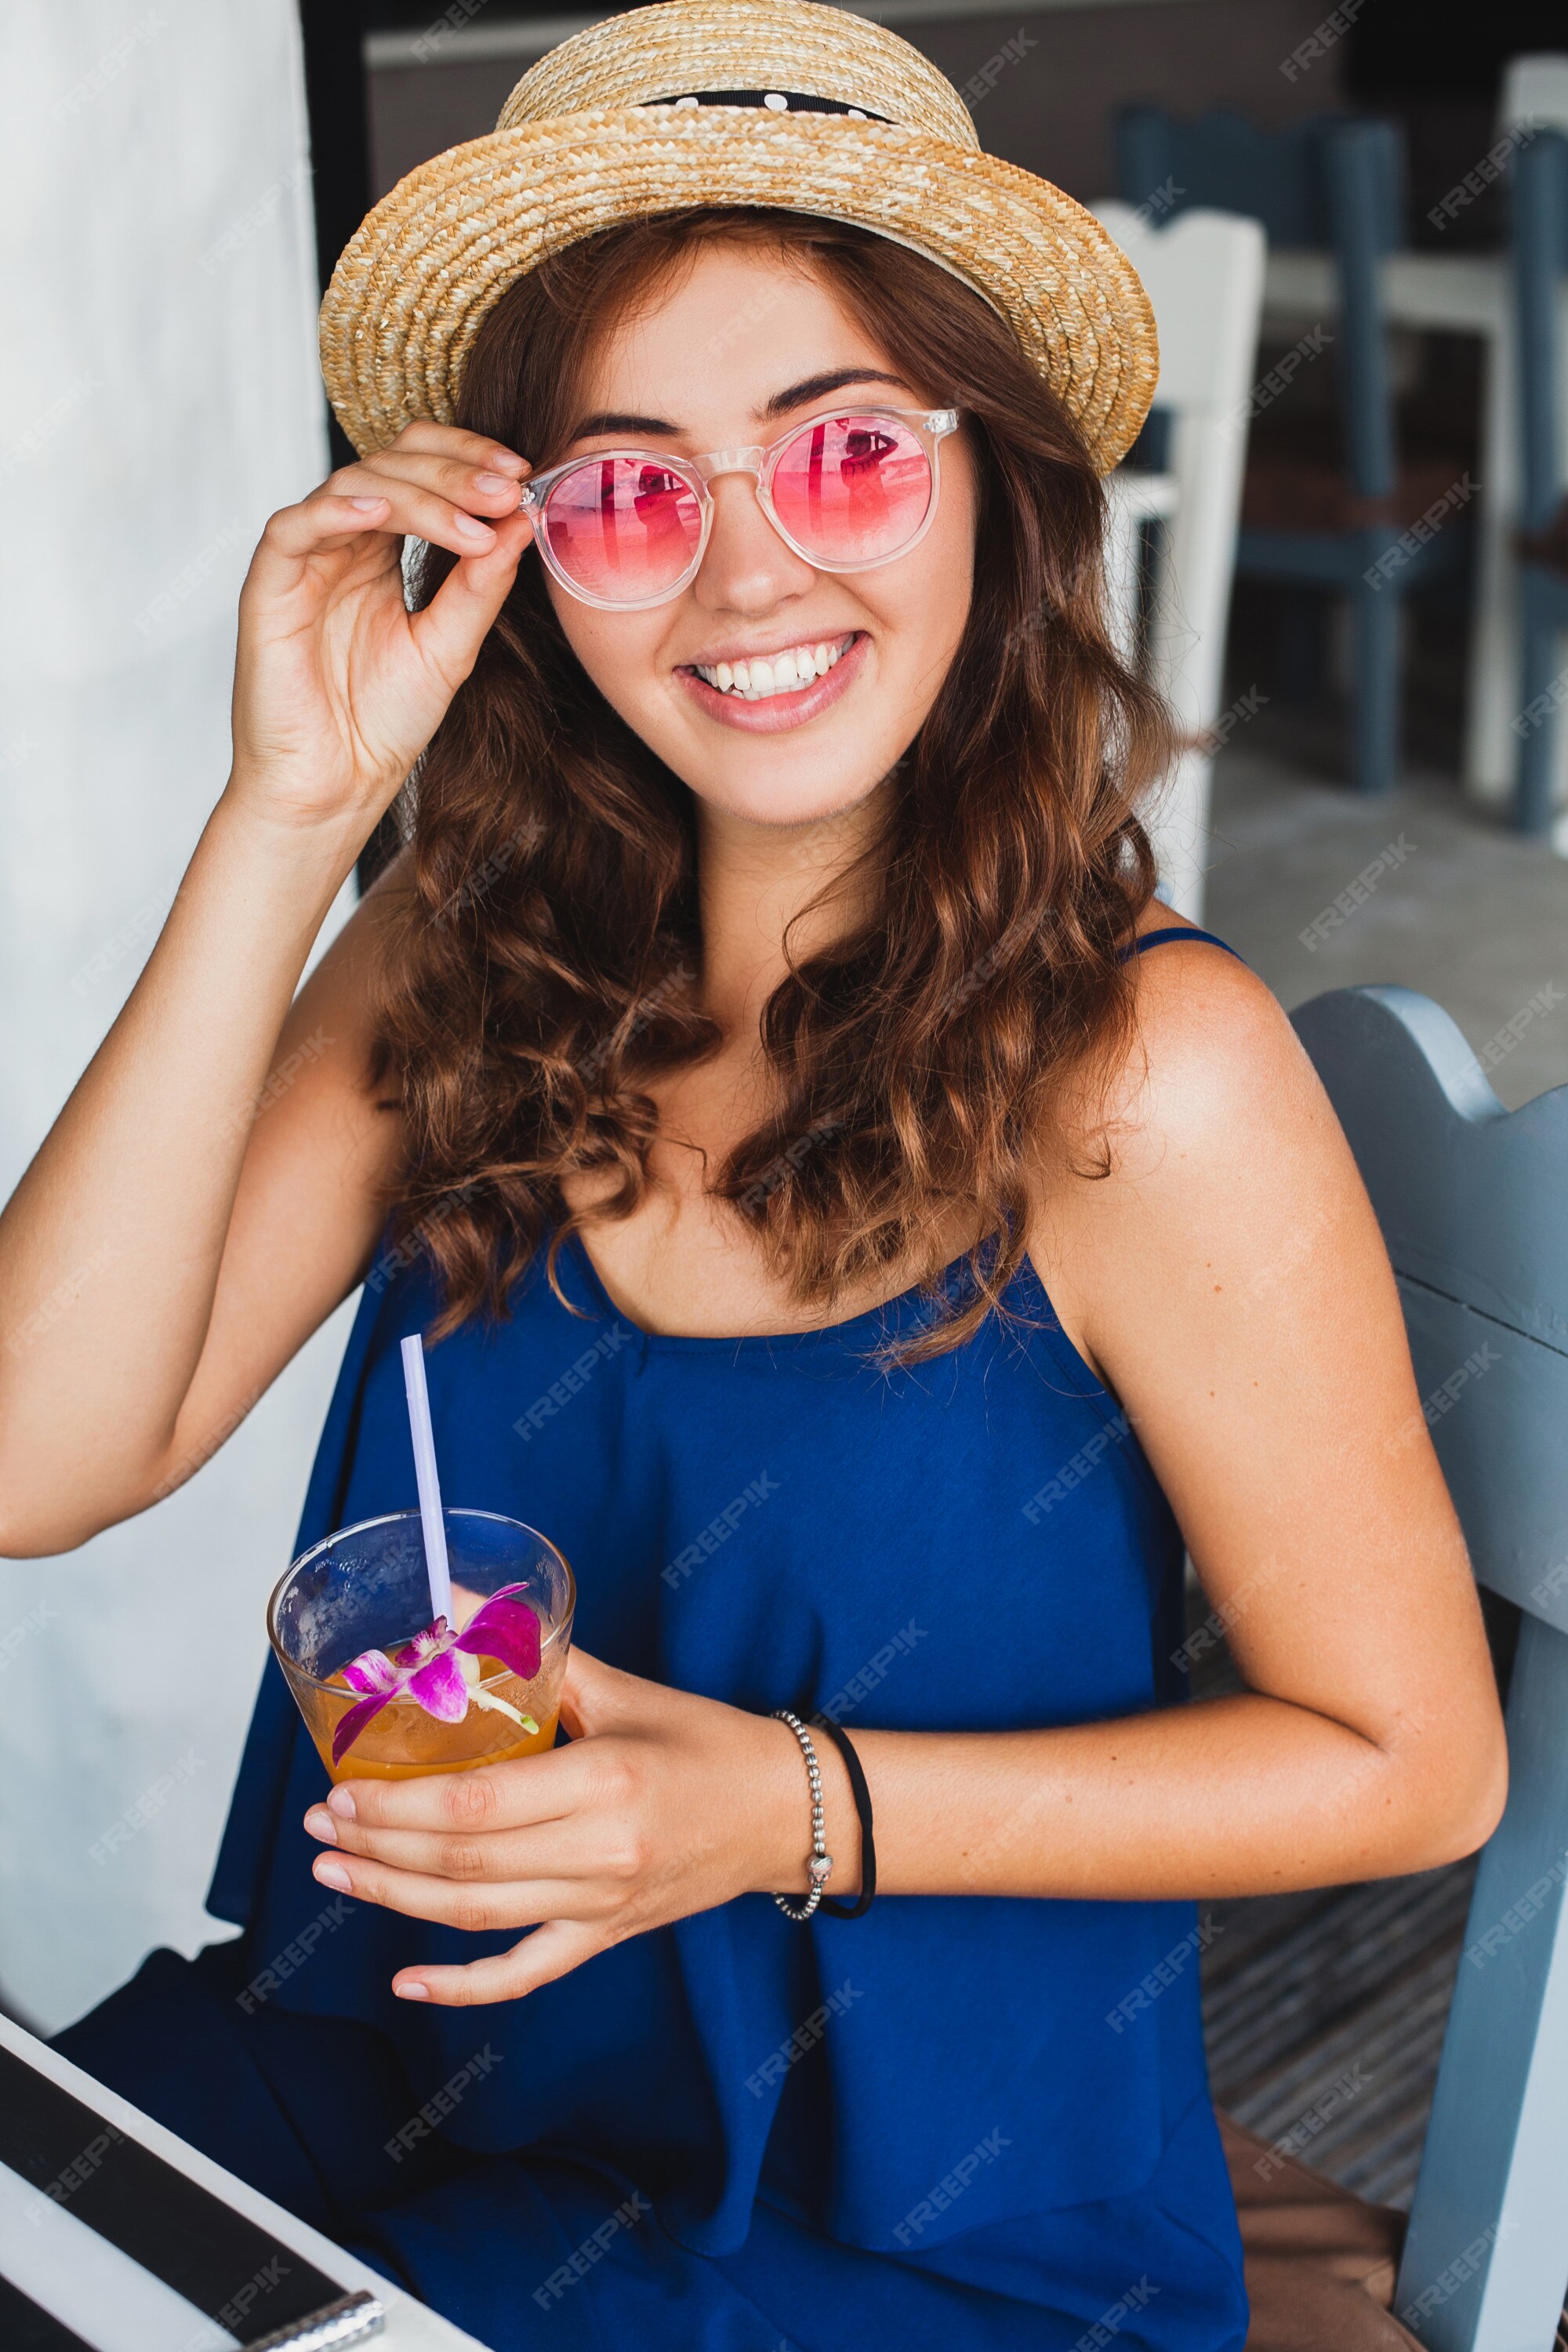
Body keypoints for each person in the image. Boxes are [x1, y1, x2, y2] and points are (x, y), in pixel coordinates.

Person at [0, 4, 1506, 2347]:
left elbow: (1414, 1768)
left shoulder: (1143, 1077)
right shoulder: (460, 957)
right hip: (386, 2063)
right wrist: (286, 816)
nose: (738, 576)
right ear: (515, 555)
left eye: (843, 458)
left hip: (887, 2224)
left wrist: (779, 1816)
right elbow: (32, 1458)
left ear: (994, 484)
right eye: (625, 489)